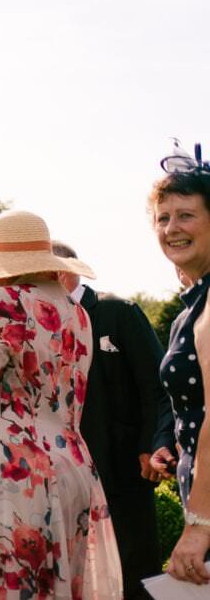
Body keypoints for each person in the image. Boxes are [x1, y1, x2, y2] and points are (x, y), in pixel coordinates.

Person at [0, 209, 122, 599]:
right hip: (71, 465)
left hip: (12, 469)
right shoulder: (78, 313)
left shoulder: (7, 300)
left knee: (4, 584)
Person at [50, 240, 173, 599]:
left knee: (134, 566)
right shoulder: (41, 323)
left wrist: (150, 444)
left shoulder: (118, 311)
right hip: (66, 470)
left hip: (124, 465)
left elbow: (155, 384)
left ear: (63, 271)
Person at [147, 152, 210, 585]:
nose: (171, 228)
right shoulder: (191, 309)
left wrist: (200, 525)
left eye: (186, 215)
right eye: (162, 218)